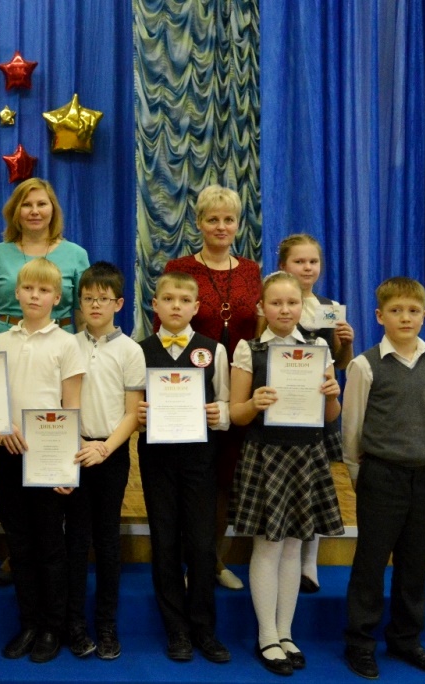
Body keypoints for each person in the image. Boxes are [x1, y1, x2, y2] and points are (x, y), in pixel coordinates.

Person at [229, 271, 344, 676]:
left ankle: (286, 632)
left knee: (294, 545)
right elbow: (235, 414)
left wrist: (333, 396)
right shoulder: (250, 349)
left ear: (301, 306)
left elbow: (330, 416)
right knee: (268, 546)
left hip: (306, 454)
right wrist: (254, 403)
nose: (284, 310)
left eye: (291, 303)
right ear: (262, 307)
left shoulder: (318, 348)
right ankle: (266, 636)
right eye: (275, 303)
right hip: (266, 453)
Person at [342, 277, 425, 680]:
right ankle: (360, 642)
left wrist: (417, 449)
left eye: (412, 311)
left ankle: (406, 639)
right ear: (379, 316)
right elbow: (352, 428)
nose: (405, 317)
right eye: (395, 310)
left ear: (424, 315)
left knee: (414, 562)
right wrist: (360, 474)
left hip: (424, 477)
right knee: (371, 563)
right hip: (380, 476)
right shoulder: (365, 365)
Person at [0, 258, 86, 664]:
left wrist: (67, 467)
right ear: (17, 293)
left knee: (50, 545)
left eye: (44, 291)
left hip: (49, 458)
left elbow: (71, 406)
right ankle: (28, 623)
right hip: (10, 453)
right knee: (19, 543)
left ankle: (52, 627)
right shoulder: (1, 341)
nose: (35, 296)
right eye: (28, 289)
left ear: (57, 298)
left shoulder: (67, 343)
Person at [156, 184, 262, 591]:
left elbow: (261, 328)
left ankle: (213, 560)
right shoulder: (180, 267)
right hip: (186, 392)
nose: (221, 226)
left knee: (224, 479)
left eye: (228, 219)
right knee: (189, 478)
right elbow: (163, 327)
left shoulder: (251, 271)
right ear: (199, 222)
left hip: (238, 390)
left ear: (238, 224)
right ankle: (183, 561)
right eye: (213, 219)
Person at [135, 272, 231, 663]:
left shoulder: (213, 350)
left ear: (196, 307)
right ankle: (176, 630)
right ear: (155, 305)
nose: (176, 305)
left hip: (199, 459)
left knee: (202, 544)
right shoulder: (138, 351)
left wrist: (218, 413)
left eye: (184, 300)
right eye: (168, 298)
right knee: (165, 541)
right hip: (156, 458)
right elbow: (129, 407)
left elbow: (226, 402)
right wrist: (138, 415)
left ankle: (204, 629)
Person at [63, 262, 144, 661]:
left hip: (111, 453)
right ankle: (75, 624)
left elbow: (132, 413)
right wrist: (78, 441)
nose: (95, 304)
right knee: (76, 539)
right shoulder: (67, 345)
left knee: (107, 539)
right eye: (88, 298)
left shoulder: (131, 350)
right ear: (79, 302)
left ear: (119, 303)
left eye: (103, 298)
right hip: (74, 449)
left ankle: (107, 624)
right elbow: (61, 403)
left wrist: (105, 447)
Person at [274, 233, 356, 593]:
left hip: (316, 408)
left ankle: (309, 563)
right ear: (283, 266)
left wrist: (347, 342)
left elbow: (340, 362)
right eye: (299, 261)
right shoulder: (274, 302)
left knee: (315, 483)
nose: (307, 268)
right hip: (280, 407)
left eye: (313, 262)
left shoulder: (329, 307)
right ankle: (279, 554)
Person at [0, 178, 89, 347]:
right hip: (6, 343)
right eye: (26, 205)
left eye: (41, 204)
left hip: (60, 344)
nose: (34, 211)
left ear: (53, 209)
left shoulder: (77, 255)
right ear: (15, 211)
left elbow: (82, 318)